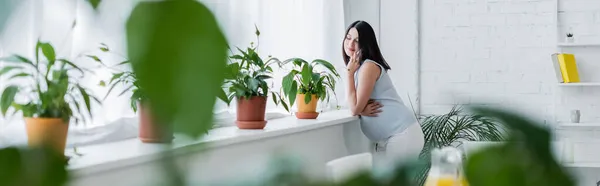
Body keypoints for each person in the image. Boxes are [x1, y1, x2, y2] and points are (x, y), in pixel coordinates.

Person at [342, 20, 425, 175]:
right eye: (348, 38)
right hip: (395, 137)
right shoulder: (360, 68)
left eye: (357, 40)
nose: (351, 43)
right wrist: (361, 109)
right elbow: (353, 104)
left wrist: (348, 74)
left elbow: (354, 108)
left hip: (402, 134)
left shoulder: (368, 67)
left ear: (366, 44)